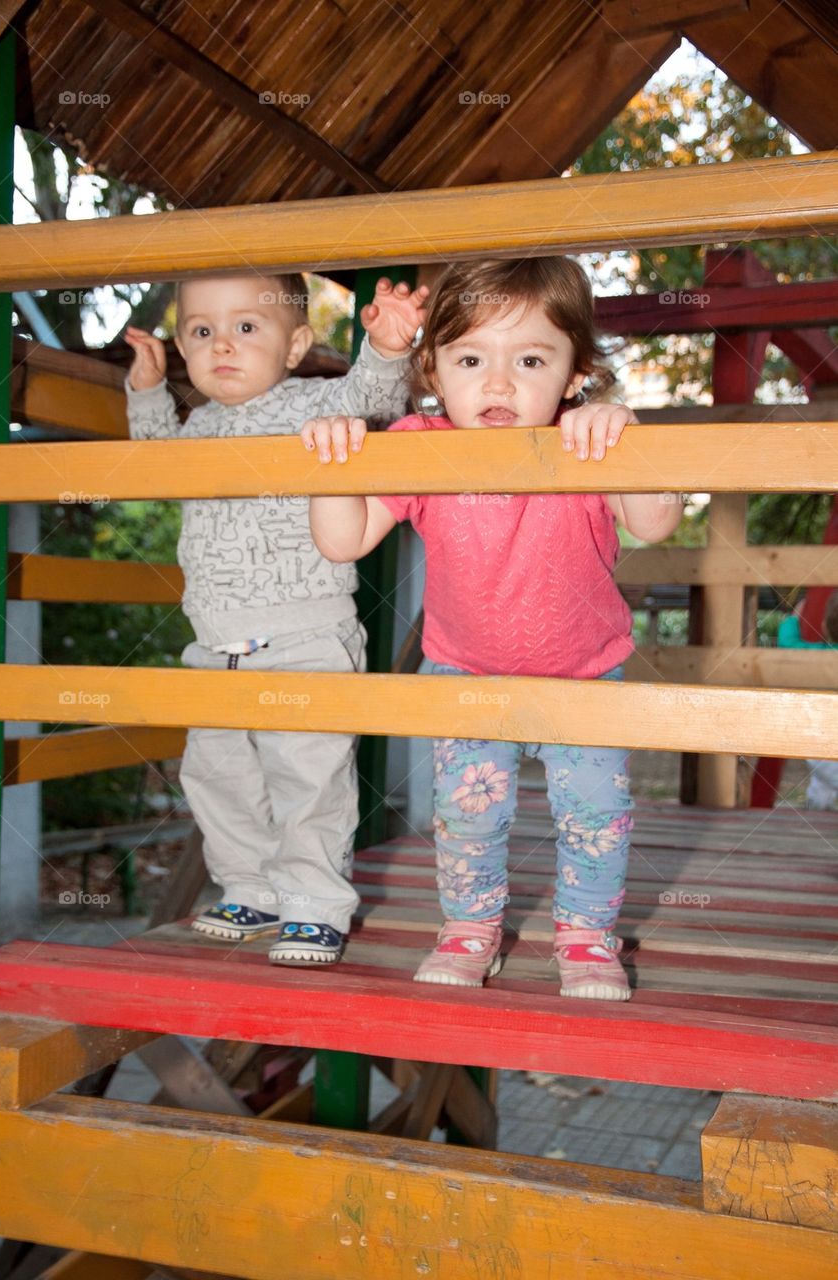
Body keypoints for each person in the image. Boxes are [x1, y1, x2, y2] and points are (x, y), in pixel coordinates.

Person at [302, 257, 682, 999]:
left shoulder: (585, 442)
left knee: (597, 817)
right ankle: (470, 929)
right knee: (468, 818)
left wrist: (627, 438)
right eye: (471, 359)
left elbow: (655, 520)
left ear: (575, 374)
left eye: (530, 360)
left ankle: (586, 936)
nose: (499, 383)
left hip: (585, 676)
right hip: (467, 675)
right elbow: (342, 541)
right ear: (434, 372)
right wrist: (332, 465)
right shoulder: (421, 443)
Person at [125, 271, 427, 965]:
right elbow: (153, 462)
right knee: (216, 776)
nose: (222, 344)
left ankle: (315, 905)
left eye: (246, 327)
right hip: (213, 644)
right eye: (202, 332)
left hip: (306, 636)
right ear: (184, 348)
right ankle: (251, 888)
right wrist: (146, 389)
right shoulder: (198, 427)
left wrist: (386, 348)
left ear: (294, 346)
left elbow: (372, 401)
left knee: (308, 779)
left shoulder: (313, 405)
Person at [777, 590, 838, 809]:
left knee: (821, 785)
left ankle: (818, 809)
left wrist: (794, 618)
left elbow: (787, 644)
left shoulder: (816, 656)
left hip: (822, 751)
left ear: (824, 627)